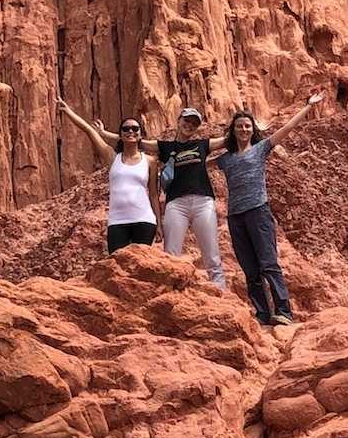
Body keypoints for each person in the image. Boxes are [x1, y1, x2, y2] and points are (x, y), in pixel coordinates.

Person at [212, 93, 323, 326]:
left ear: (253, 130)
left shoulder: (261, 148)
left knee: (268, 263)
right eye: (239, 126)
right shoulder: (225, 158)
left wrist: (308, 107)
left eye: (247, 126)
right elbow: (198, 163)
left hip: (258, 211)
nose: (243, 129)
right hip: (235, 216)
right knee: (250, 269)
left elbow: (287, 128)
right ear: (232, 131)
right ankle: (262, 313)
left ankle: (283, 311)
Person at [58, 98, 157, 253]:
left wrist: (159, 224)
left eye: (134, 128)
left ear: (140, 134)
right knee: (117, 265)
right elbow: (89, 130)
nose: (130, 131)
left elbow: (153, 195)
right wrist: (68, 111)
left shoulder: (150, 161)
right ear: (121, 134)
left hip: (144, 219)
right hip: (117, 221)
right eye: (126, 129)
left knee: (142, 267)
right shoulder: (112, 157)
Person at [152, 107, 227, 290]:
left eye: (194, 123)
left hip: (203, 202)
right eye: (187, 121)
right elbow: (134, 142)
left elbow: (231, 140)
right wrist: (102, 133)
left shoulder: (202, 145)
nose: (190, 125)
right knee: (170, 254)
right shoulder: (165, 147)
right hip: (176, 203)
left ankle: (221, 295)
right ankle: (170, 293)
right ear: (178, 120)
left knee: (212, 255)